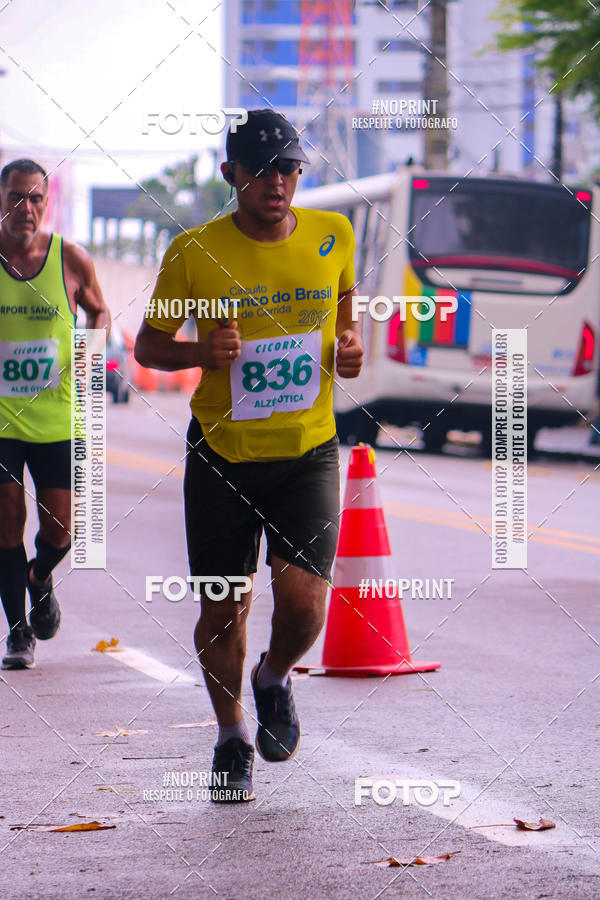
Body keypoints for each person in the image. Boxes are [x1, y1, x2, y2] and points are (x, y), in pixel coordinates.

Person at [134, 109, 363, 802]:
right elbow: (148, 348)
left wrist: (351, 354)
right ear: (232, 174)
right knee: (222, 608)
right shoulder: (194, 252)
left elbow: (346, 335)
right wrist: (201, 352)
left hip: (308, 451)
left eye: (289, 166)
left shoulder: (334, 234)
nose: (278, 181)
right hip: (223, 454)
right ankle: (232, 733)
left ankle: (273, 677)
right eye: (261, 169)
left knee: (305, 607)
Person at [0, 158, 110, 669]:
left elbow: (99, 310)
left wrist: (89, 348)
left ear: (48, 203)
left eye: (36, 198)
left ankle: (39, 578)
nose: (26, 208)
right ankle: (18, 633)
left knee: (61, 529)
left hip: (56, 417)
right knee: (5, 524)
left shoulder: (71, 259)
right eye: (16, 197)